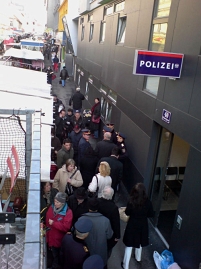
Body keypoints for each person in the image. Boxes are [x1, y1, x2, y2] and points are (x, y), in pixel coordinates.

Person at [122, 183, 154, 269]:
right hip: (143, 225)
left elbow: (127, 212)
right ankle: (138, 258)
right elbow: (151, 214)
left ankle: (125, 265)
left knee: (129, 245)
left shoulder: (131, 202)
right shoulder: (148, 202)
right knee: (139, 242)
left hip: (132, 224)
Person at [79, 198, 113, 268]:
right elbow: (109, 235)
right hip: (100, 252)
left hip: (86, 252)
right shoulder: (105, 221)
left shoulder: (81, 219)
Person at [46, 192, 73, 269]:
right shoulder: (51, 208)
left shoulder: (68, 213)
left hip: (59, 241)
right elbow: (47, 221)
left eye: (57, 202)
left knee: (58, 258)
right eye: (55, 201)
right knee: (53, 255)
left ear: (63, 203)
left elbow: (66, 227)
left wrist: (54, 223)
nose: (55, 203)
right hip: (50, 238)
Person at [98, 186, 120, 257]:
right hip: (107, 232)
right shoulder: (113, 208)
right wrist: (117, 235)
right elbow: (116, 223)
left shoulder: (97, 202)